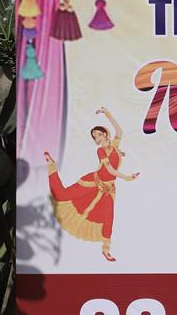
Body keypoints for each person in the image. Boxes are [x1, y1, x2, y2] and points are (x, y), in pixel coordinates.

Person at [45, 107, 139, 261]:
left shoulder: (115, 146)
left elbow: (119, 131)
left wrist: (108, 114)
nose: (96, 137)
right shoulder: (100, 151)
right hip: (93, 182)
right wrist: (127, 177)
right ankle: (51, 167)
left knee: (109, 217)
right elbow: (109, 169)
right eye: (94, 136)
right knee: (62, 196)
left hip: (109, 189)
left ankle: (106, 249)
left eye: (98, 134)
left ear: (105, 134)